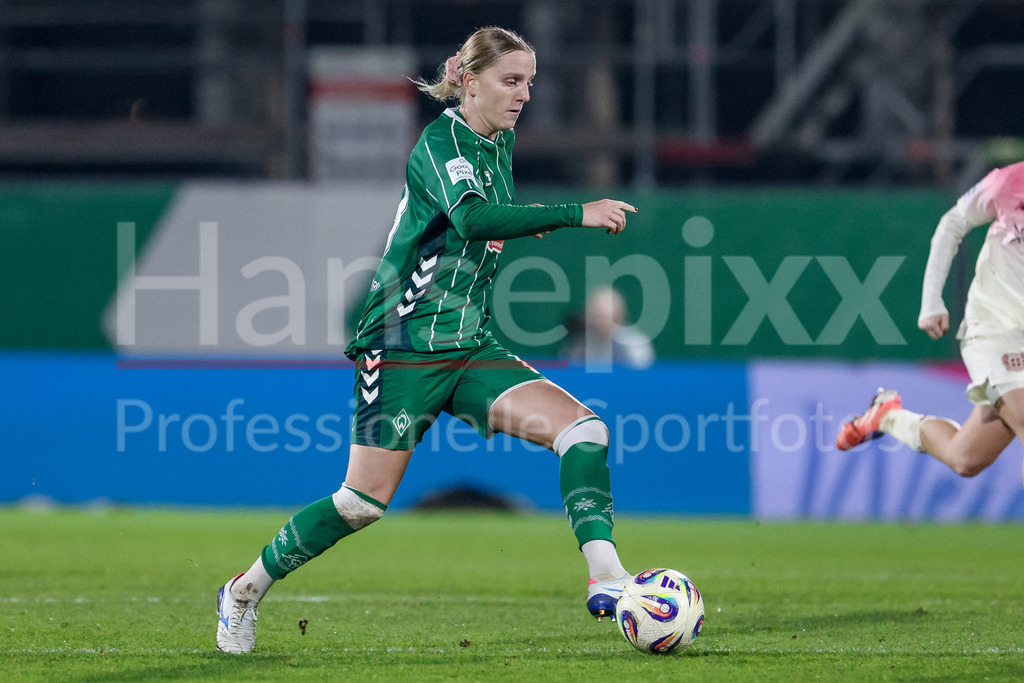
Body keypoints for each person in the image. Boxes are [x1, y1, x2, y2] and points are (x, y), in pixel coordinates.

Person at [215, 26, 639, 654]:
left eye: (529, 82)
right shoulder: (441, 141)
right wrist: (572, 212)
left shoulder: (501, 141)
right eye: (510, 81)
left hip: (470, 344)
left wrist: (515, 227)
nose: (524, 95)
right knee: (361, 503)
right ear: (469, 82)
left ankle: (607, 578)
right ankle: (243, 591)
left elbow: (477, 226)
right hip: (402, 343)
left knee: (585, 432)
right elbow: (468, 216)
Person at [836, 161, 1024, 484]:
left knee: (966, 458)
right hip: (996, 329)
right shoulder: (1012, 180)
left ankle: (888, 416)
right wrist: (931, 299)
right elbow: (953, 222)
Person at [563, 285, 655, 370]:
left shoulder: (634, 344)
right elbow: (566, 370)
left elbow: (641, 373)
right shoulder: (579, 344)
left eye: (604, 316)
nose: (598, 322)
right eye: (595, 315)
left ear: (618, 315)